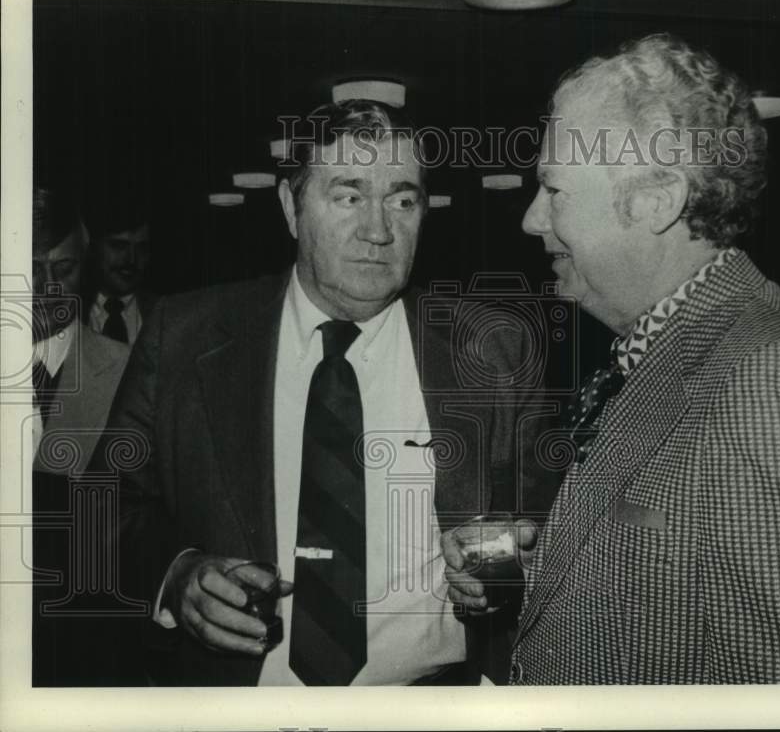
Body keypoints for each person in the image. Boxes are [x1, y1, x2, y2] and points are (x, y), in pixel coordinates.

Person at [444, 32, 780, 683]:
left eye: (553, 191)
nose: (532, 219)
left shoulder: (770, 382)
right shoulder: (670, 340)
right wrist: (545, 566)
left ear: (658, 199)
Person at [103, 99, 553, 686]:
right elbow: (105, 504)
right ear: (291, 207)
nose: (378, 229)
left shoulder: (492, 348)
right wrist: (180, 573)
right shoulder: (185, 336)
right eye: (348, 196)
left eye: (402, 199)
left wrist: (494, 570)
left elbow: (538, 514)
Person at [30, 186, 133, 685]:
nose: (46, 288)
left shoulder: (126, 373)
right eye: (32, 270)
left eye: (63, 270)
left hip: (81, 643)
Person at [83, 214, 156, 346]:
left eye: (141, 248)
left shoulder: (162, 313)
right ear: (93, 248)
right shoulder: (69, 310)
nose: (131, 259)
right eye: (119, 246)